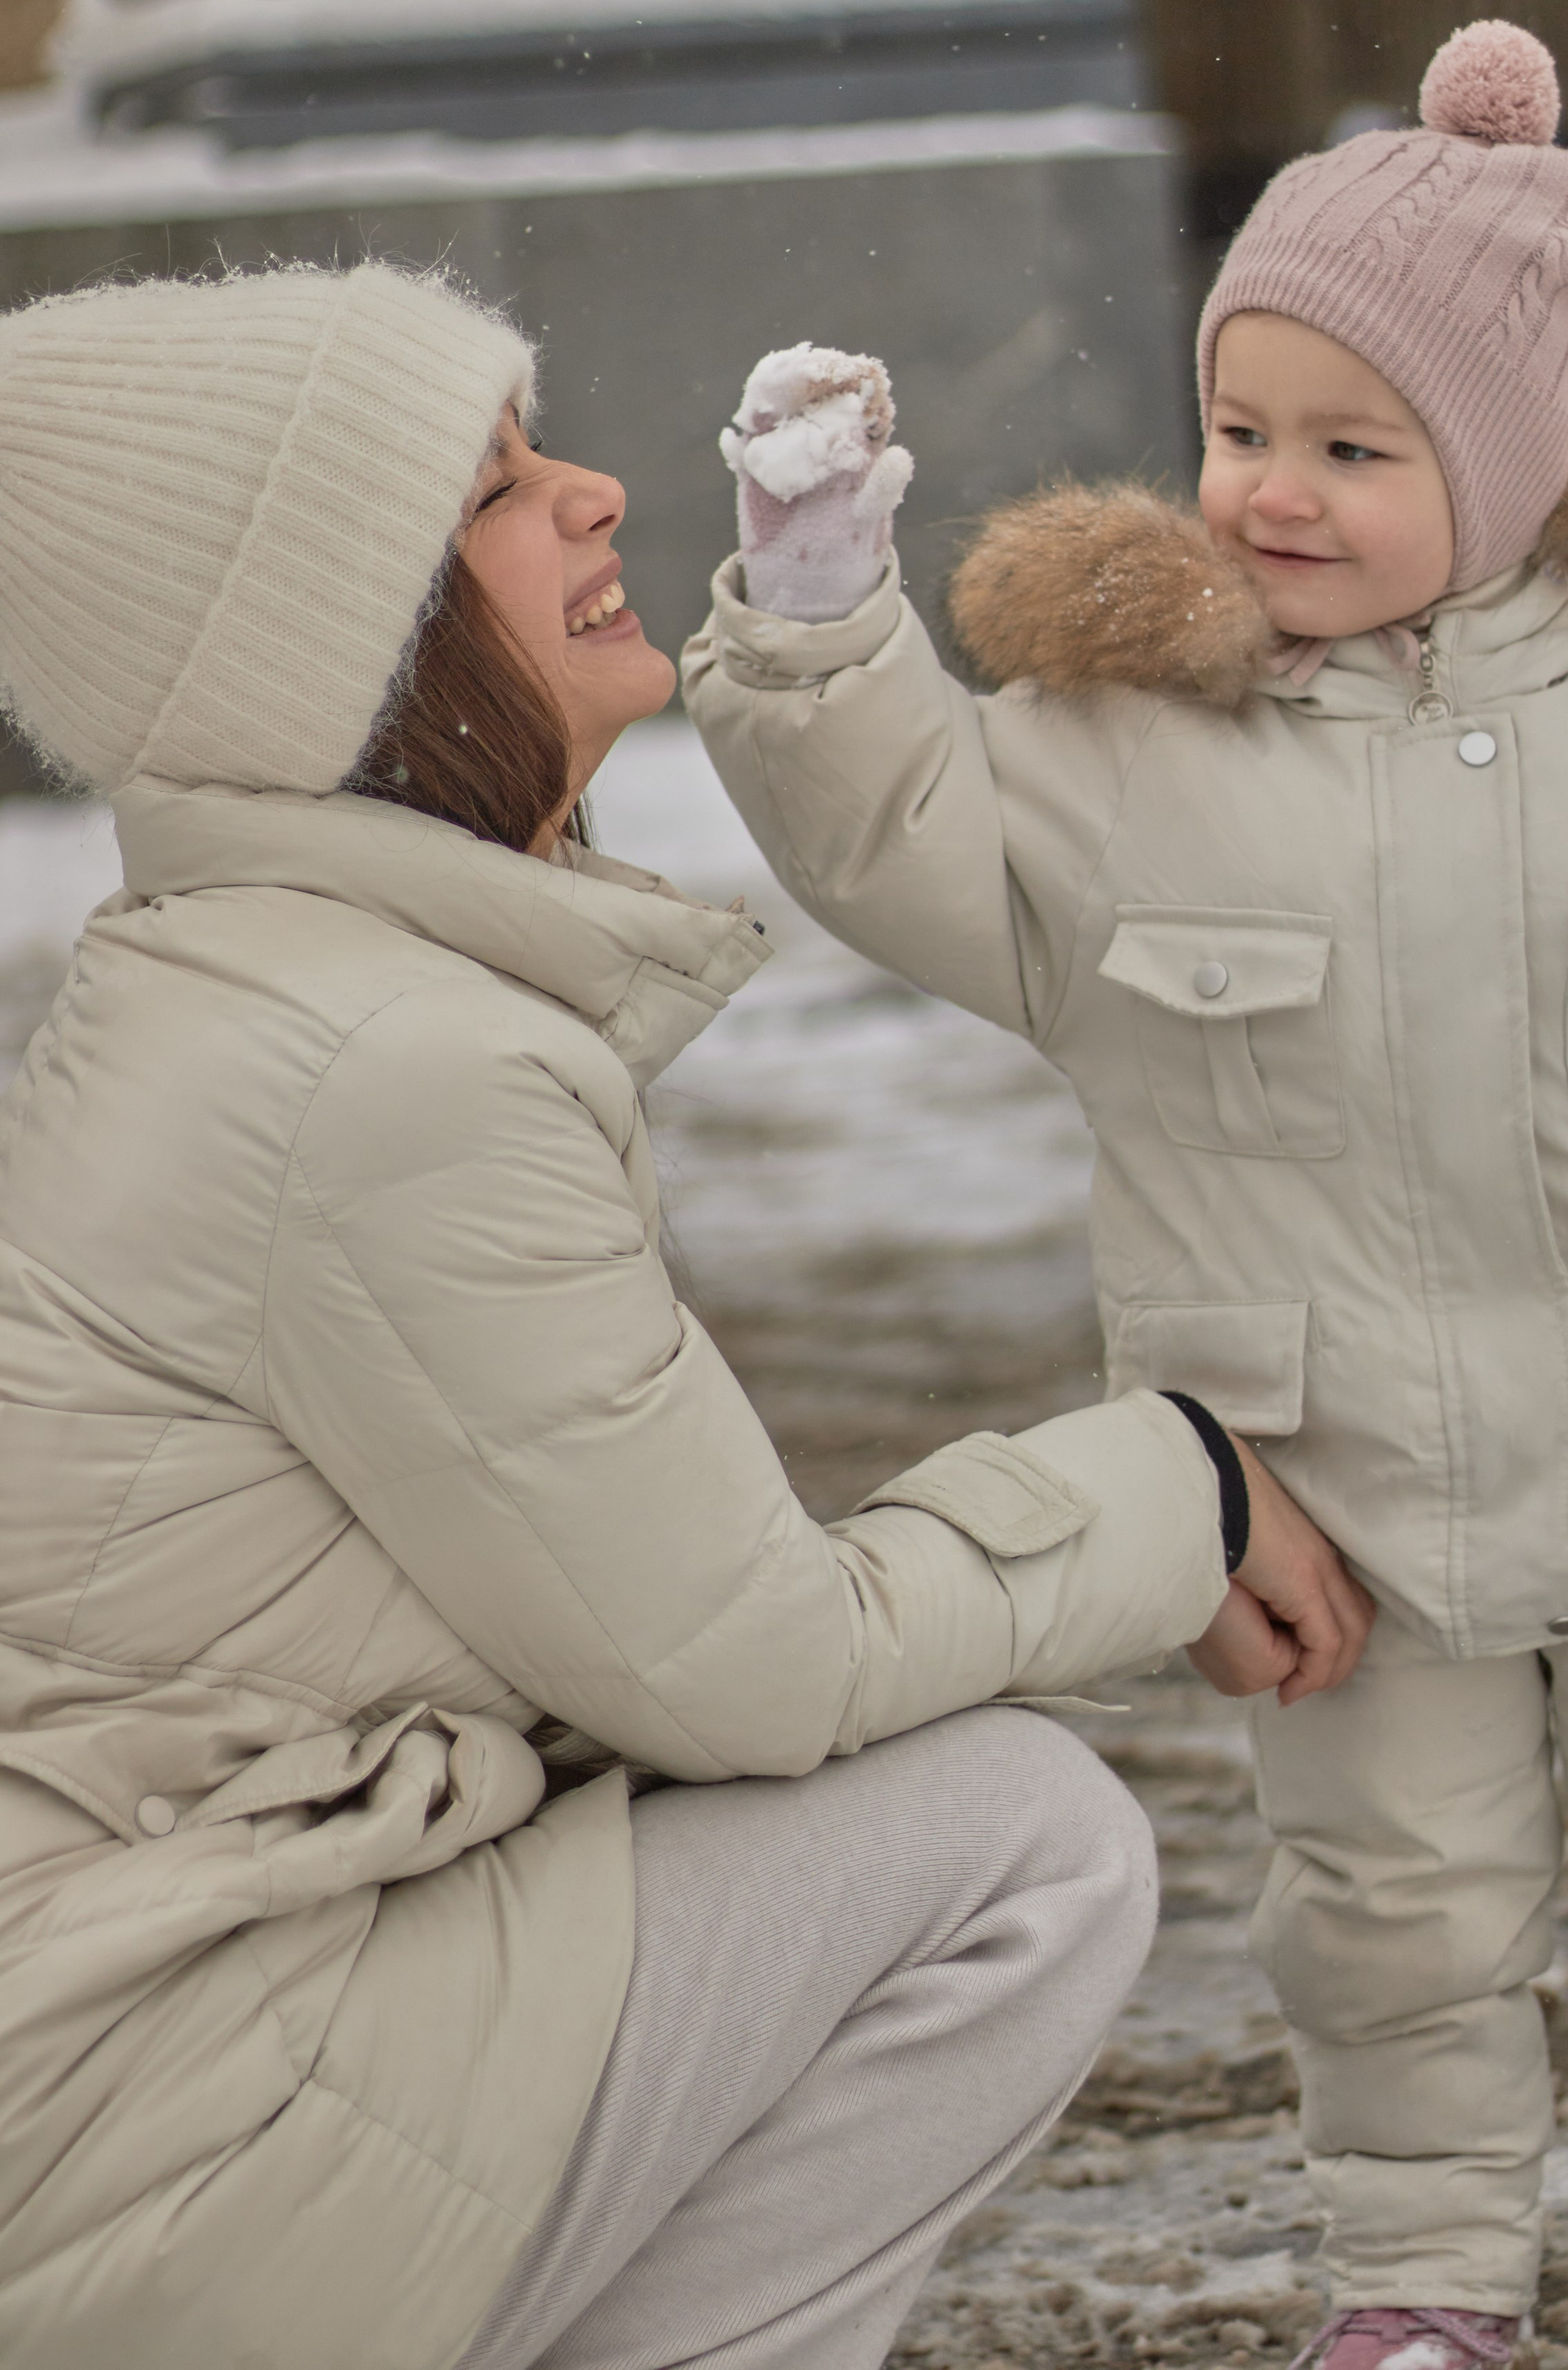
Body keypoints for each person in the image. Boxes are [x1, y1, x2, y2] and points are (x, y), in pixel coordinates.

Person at [0, 262, 1373, 2370]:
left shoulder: (267, 988)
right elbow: (747, 1672)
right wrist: (1171, 1489)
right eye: (493, 488)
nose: (593, 495)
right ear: (328, 638)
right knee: (1015, 1845)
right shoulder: (386, 1069)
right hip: (152, 2132)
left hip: (117, 2064)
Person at [686, 21, 1568, 2370]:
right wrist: (822, 599)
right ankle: (1428, 2279)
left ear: (1521, 465)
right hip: (1339, 1485)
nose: (1276, 494)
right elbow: (894, 834)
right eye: (1243, 432)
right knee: (1387, 1905)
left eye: (1359, 448)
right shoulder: (1123, 762)